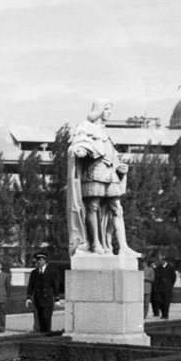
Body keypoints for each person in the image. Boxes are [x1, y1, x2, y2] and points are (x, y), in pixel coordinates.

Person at [67, 101, 138, 257]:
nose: (109, 113)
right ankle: (95, 244)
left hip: (110, 173)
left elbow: (111, 154)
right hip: (94, 172)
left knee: (117, 209)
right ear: (98, 111)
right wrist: (81, 151)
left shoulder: (106, 132)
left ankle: (123, 246)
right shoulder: (85, 128)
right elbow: (79, 145)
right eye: (106, 109)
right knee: (92, 207)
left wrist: (121, 168)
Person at [26, 252, 59, 333]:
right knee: (40, 319)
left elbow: (55, 285)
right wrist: (29, 297)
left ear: (45, 261)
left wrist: (57, 298)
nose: (39, 262)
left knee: (46, 318)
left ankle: (47, 335)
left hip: (47, 299)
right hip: (38, 299)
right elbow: (31, 285)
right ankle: (41, 335)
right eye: (38, 260)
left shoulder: (51, 272)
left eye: (41, 260)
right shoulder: (34, 272)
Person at [154, 253, 177, 320]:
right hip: (160, 288)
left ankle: (165, 314)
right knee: (159, 300)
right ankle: (163, 312)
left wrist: (170, 285)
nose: (159, 261)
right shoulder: (158, 268)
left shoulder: (170, 268)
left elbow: (173, 277)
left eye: (160, 260)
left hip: (167, 288)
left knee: (166, 301)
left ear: (164, 261)